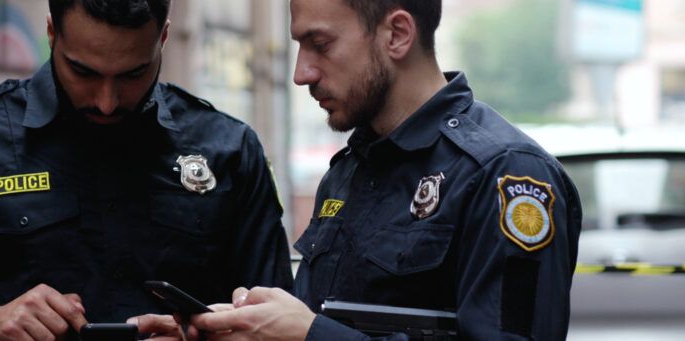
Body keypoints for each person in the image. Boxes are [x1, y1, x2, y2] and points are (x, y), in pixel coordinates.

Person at [0, 0, 293, 339]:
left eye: (133, 74)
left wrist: (204, 332)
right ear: (51, 33)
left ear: (163, 39)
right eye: (82, 71)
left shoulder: (228, 151)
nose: (106, 100)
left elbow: (279, 324)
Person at [189, 0, 583, 340]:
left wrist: (311, 335)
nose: (301, 73)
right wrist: (232, 327)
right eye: (299, 46)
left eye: (320, 44)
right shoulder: (347, 172)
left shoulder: (503, 174)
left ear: (397, 34)